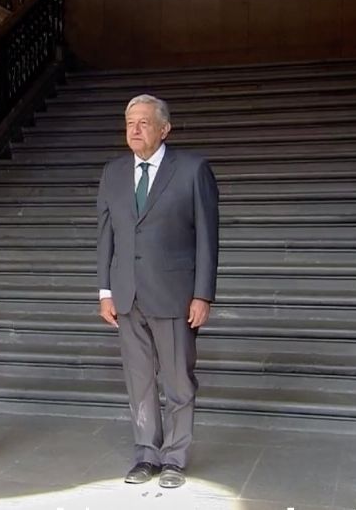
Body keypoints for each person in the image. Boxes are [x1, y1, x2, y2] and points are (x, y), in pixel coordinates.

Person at [96, 94, 219, 489]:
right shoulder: (113, 172)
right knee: (139, 380)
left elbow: (207, 237)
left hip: (175, 295)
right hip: (127, 295)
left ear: (164, 128)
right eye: (129, 122)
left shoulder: (193, 169)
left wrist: (203, 294)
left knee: (178, 381)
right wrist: (104, 291)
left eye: (144, 122)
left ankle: (175, 458)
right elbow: (106, 236)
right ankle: (146, 454)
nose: (134, 129)